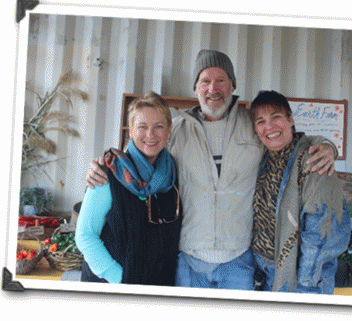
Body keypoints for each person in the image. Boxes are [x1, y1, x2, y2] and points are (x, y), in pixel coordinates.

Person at [85, 49, 336, 290]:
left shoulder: (252, 123)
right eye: (205, 81)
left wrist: (326, 145)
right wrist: (99, 165)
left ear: (233, 85)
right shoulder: (177, 128)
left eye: (221, 80)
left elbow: (287, 141)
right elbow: (136, 153)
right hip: (188, 259)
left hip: (238, 260)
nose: (213, 89)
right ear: (195, 88)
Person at [75, 91, 182, 286]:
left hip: (158, 284)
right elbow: (85, 236)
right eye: (142, 126)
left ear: (168, 130)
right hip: (114, 286)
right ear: (131, 130)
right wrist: (121, 279)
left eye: (158, 126)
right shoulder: (108, 172)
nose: (150, 134)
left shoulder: (173, 173)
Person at [249, 90, 350, 294]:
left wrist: (306, 284)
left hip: (299, 277)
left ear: (291, 119)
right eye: (261, 121)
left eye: (276, 117)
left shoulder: (314, 160)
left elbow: (322, 232)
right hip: (262, 271)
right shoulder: (263, 157)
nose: (269, 127)